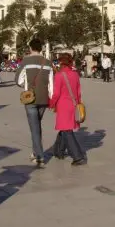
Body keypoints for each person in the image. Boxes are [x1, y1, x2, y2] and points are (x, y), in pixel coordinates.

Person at [15, 38, 54, 167]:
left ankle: (39, 156)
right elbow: (51, 83)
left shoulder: (25, 61)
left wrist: (26, 86)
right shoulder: (48, 62)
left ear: (30, 48)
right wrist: (50, 97)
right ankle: (35, 151)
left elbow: (18, 80)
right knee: (36, 126)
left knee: (34, 127)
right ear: (41, 48)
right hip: (44, 99)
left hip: (30, 98)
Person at [49, 53, 86, 166]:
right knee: (64, 128)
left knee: (67, 131)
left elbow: (56, 93)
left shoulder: (59, 75)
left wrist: (51, 103)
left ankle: (77, 156)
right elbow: (79, 92)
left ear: (61, 62)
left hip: (63, 105)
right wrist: (78, 103)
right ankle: (58, 151)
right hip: (73, 104)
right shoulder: (75, 74)